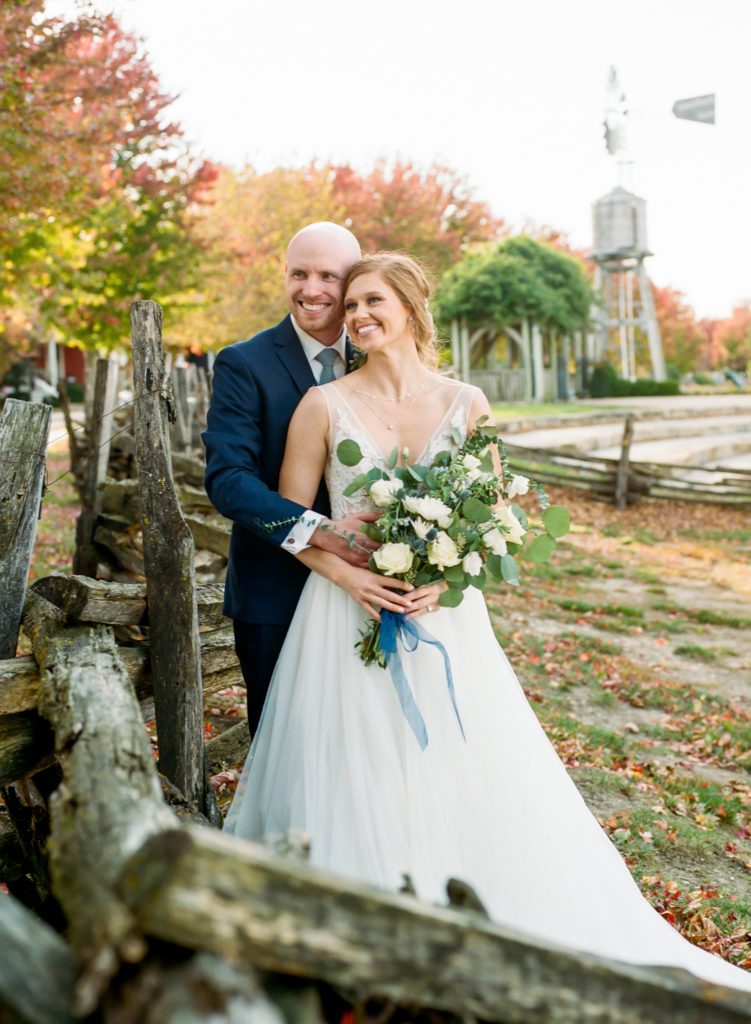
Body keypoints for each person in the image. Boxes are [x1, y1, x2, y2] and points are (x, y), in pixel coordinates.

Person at [224, 253, 751, 995]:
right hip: (342, 614)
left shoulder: (466, 402)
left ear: (409, 305)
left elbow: (497, 519)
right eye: (349, 309)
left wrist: (441, 577)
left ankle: (461, 899)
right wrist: (354, 576)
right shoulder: (322, 406)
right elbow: (298, 524)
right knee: (350, 761)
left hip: (447, 622)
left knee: (460, 761)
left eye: (371, 301)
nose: (357, 317)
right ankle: (353, 927)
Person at [202, 224, 416, 734]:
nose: (312, 289)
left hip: (377, 586)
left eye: (328, 276)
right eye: (299, 274)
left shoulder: (381, 350)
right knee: (284, 743)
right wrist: (323, 531)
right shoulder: (243, 363)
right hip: (276, 591)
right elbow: (227, 480)